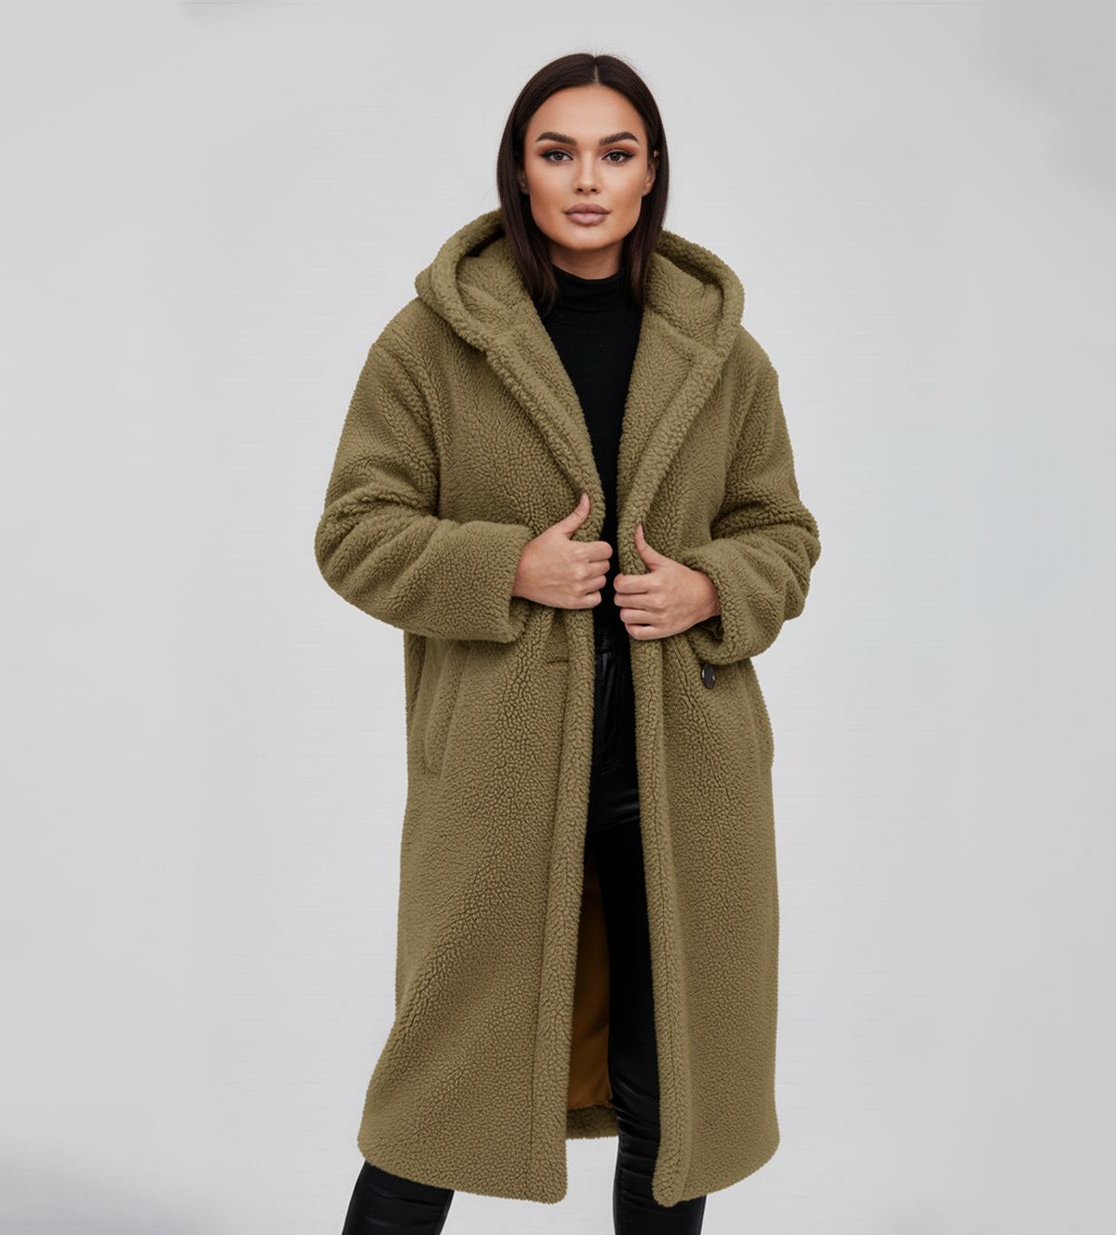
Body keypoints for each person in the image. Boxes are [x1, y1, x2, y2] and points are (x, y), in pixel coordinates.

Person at [315, 51, 821, 1235]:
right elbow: (352, 533)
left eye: (614, 152)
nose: (586, 179)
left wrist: (710, 585)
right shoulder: (429, 345)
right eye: (558, 152)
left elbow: (783, 533)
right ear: (520, 171)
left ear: (649, 173)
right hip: (498, 780)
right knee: (435, 1102)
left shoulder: (724, 356)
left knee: (673, 1104)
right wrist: (506, 566)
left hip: (680, 779)